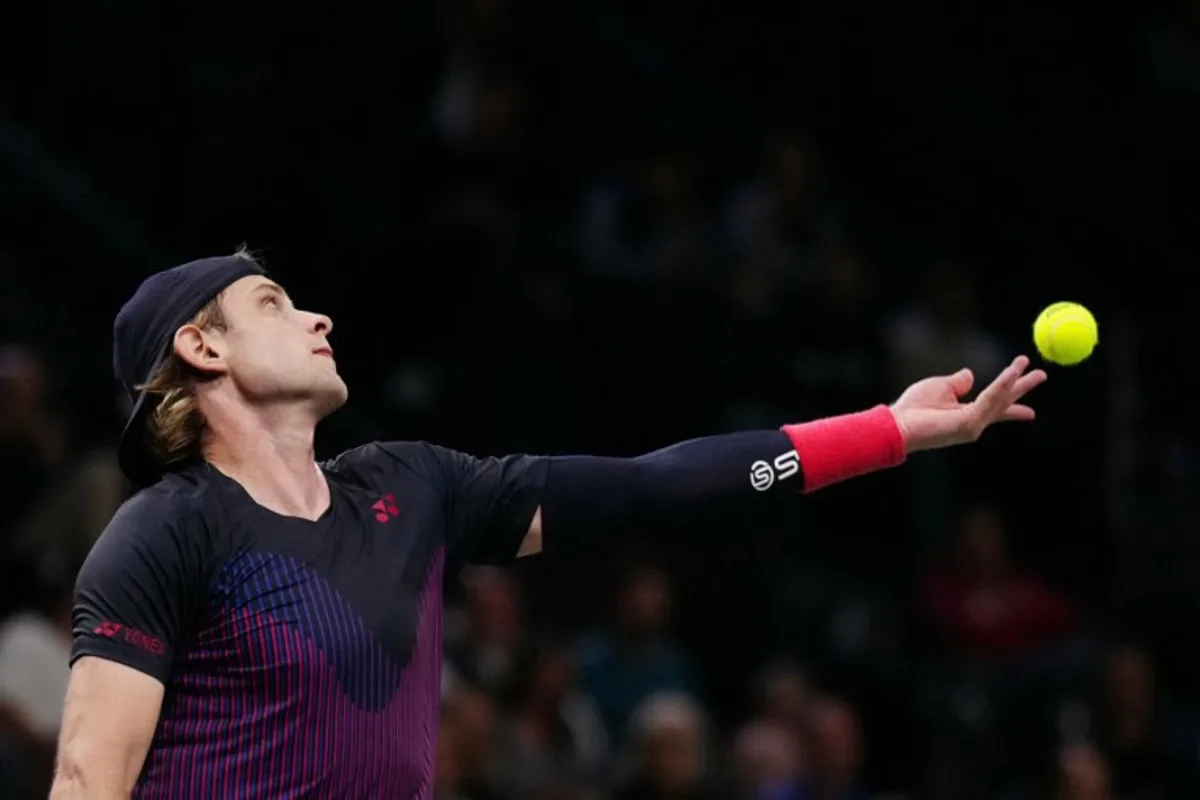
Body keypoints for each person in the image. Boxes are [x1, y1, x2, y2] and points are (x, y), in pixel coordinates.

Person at [50, 250, 1046, 799]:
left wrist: (888, 432)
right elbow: (92, 777)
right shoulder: (161, 536)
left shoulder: (412, 487)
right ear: (200, 346)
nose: (319, 319)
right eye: (274, 302)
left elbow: (653, 485)